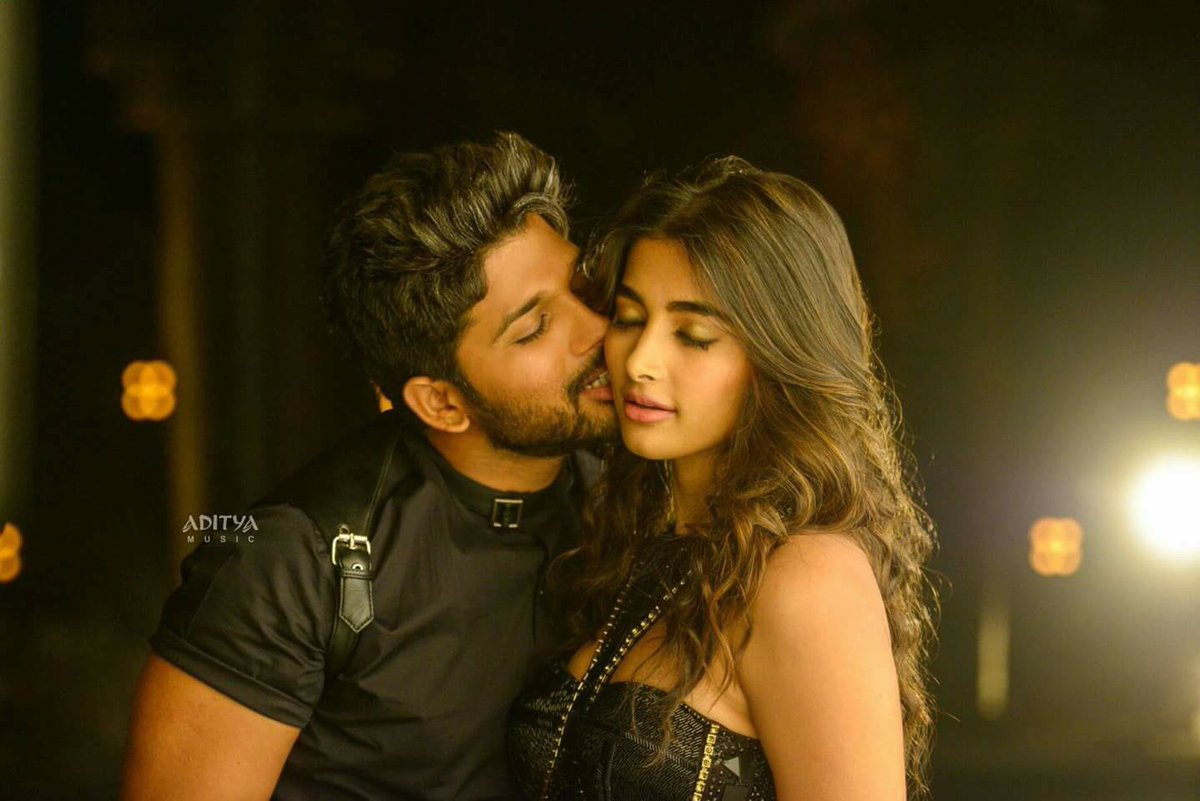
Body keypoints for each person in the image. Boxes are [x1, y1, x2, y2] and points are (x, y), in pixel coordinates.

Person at [121, 132, 617, 800]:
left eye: (584, 287)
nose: (596, 328)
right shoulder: (291, 561)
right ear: (442, 403)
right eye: (533, 329)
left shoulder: (633, 502)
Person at [508, 157, 939, 800]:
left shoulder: (806, 577)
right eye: (629, 319)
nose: (641, 361)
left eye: (693, 335)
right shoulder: (642, 543)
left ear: (777, 354)